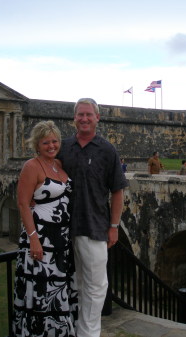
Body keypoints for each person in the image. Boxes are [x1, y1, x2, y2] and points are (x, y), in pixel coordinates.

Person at [57, 98, 127, 337]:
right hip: (62, 226)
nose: (84, 119)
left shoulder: (107, 150)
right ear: (74, 118)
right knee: (72, 284)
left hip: (93, 225)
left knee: (96, 286)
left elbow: (117, 190)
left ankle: (88, 333)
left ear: (97, 118)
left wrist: (114, 226)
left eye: (89, 114)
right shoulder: (63, 147)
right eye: (80, 115)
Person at [13, 120, 78, 337]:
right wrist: (33, 239)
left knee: (58, 289)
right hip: (41, 239)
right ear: (37, 145)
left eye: (54, 141)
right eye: (45, 143)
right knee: (43, 290)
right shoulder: (31, 166)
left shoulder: (59, 165)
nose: (51, 146)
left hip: (60, 239)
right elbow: (23, 204)